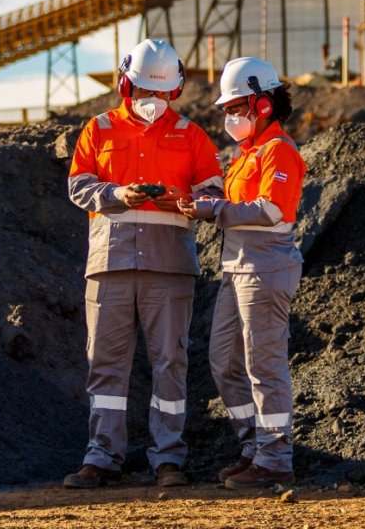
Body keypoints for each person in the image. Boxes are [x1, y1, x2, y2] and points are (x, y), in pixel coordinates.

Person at [64, 38, 223, 489]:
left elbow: (215, 190)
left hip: (169, 266)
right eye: (144, 92)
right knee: (105, 364)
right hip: (110, 263)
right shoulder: (98, 129)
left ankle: (168, 458)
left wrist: (191, 201)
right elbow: (78, 187)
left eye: (162, 94)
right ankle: (102, 455)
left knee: (169, 363)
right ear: (124, 85)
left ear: (174, 92)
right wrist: (116, 194)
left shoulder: (192, 135)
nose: (153, 102)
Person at [177, 56, 306, 489]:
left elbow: (271, 209)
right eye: (228, 109)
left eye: (237, 107)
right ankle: (254, 447)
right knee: (224, 362)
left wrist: (216, 209)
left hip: (266, 267)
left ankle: (275, 459)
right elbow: (235, 201)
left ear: (263, 105)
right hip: (238, 267)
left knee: (264, 366)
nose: (231, 116)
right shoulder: (246, 155)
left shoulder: (279, 151)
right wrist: (210, 196)